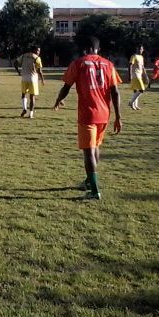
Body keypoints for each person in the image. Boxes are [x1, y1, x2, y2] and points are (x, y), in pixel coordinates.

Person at [54, 37, 122, 201]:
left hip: (88, 114)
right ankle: (88, 182)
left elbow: (66, 87)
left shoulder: (78, 63)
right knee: (96, 147)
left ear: (85, 49)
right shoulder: (109, 65)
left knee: (88, 152)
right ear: (98, 49)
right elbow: (115, 92)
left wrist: (58, 100)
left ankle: (94, 191)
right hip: (104, 114)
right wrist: (118, 117)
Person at [18, 46, 45, 118]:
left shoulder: (24, 56)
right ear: (34, 50)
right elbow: (39, 71)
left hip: (24, 78)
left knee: (23, 94)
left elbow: (15, 62)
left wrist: (18, 71)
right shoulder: (37, 58)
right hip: (33, 79)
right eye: (38, 50)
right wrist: (42, 79)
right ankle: (31, 114)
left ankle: (24, 109)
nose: (38, 52)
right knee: (32, 96)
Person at [128, 45, 149, 110]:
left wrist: (146, 76)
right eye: (139, 49)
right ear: (137, 49)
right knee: (142, 89)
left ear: (143, 50)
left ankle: (135, 105)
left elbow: (142, 67)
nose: (140, 50)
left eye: (141, 49)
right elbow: (130, 65)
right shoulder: (134, 56)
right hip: (135, 75)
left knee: (136, 90)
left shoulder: (141, 57)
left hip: (139, 75)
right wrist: (130, 75)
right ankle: (131, 102)